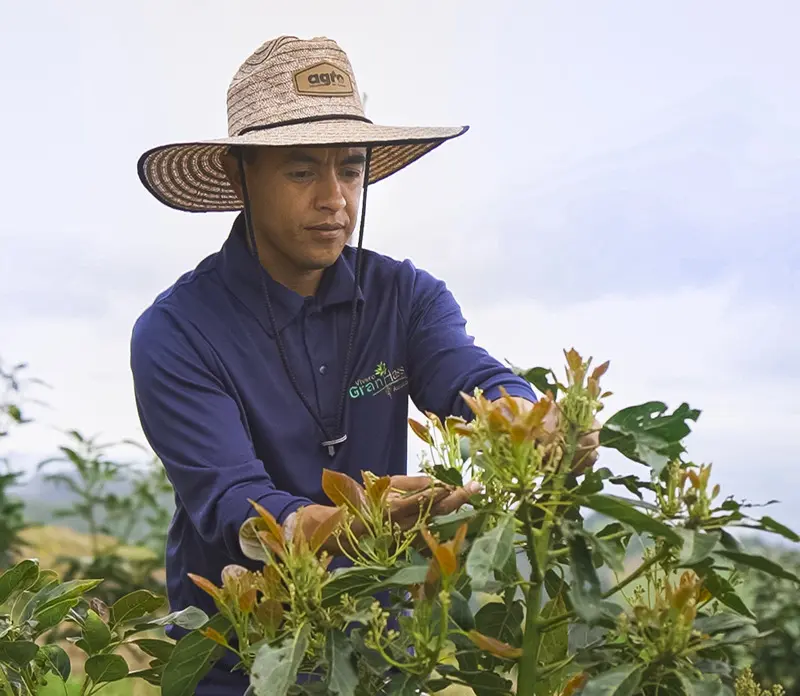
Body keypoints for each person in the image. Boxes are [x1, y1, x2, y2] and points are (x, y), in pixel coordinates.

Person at [131, 35, 588, 694]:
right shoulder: (177, 332)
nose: (334, 199)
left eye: (350, 168)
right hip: (237, 661)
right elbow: (235, 504)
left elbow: (469, 376)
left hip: (381, 654)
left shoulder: (405, 298)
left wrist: (534, 421)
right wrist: (350, 523)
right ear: (240, 175)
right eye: (300, 171)